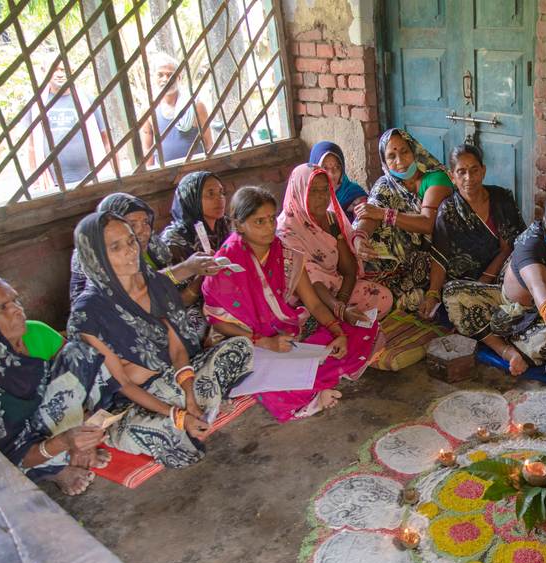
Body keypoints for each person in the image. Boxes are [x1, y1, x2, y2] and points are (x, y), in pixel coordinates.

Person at [68, 211, 253, 468]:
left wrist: (188, 395)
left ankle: (199, 403)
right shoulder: (89, 313)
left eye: (131, 241)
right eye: (115, 247)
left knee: (240, 348)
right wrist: (178, 416)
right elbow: (121, 383)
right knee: (176, 447)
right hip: (135, 399)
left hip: (175, 379)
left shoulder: (157, 284)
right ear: (95, 256)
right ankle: (200, 407)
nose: (130, 251)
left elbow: (177, 349)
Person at [203, 186, 382, 421]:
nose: (269, 227)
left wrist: (338, 332)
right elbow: (220, 324)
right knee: (265, 380)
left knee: (361, 330)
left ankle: (311, 382)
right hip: (245, 341)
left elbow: (314, 304)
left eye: (270, 219)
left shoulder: (285, 254)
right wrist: (266, 342)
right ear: (239, 224)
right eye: (259, 222)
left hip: (285, 333)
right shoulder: (226, 264)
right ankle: (308, 397)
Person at [0, 275, 116, 495]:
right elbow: (0, 457)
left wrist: (84, 431)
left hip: (52, 423)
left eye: (15, 300)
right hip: (18, 450)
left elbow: (80, 378)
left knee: (80, 353)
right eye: (3, 307)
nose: (17, 309)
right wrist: (65, 441)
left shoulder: (34, 331)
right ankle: (52, 467)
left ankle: (71, 450)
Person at [443, 186, 546, 377]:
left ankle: (490, 334)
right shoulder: (531, 241)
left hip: (545, 320)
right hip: (504, 303)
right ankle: (505, 350)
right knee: (453, 294)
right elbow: (539, 285)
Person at [351, 129, 454, 312]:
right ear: (385, 162)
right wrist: (360, 237)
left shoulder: (435, 177)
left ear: (415, 150)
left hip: (432, 258)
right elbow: (370, 214)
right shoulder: (386, 184)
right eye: (391, 156)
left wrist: (384, 214)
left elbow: (428, 223)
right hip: (394, 263)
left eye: (404, 151)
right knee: (359, 244)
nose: (399, 161)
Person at [277, 164, 392, 321]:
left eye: (325, 189)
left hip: (335, 289)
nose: (322, 196)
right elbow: (310, 279)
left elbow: (349, 270)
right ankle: (331, 322)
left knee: (383, 298)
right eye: (314, 190)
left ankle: (335, 322)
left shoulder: (331, 219)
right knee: (303, 315)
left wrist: (342, 302)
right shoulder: (286, 231)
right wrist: (341, 311)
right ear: (299, 191)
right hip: (306, 298)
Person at [426, 144, 526, 321]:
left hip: (502, 275)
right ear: (452, 177)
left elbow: (508, 249)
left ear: (483, 171)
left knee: (523, 271)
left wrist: (483, 282)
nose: (469, 178)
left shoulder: (501, 198)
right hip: (466, 282)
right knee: (452, 293)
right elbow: (440, 256)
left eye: (474, 170)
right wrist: (432, 293)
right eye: (461, 172)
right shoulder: (448, 210)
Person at [69, 193, 221, 303]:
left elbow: (176, 297)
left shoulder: (153, 245)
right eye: (132, 225)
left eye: (145, 223)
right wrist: (189, 268)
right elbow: (132, 290)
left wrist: (202, 272)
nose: (143, 231)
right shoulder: (93, 254)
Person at [158, 171, 233, 332]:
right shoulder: (173, 241)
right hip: (190, 305)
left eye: (221, 192)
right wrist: (203, 277)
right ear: (191, 198)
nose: (219, 199)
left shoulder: (225, 224)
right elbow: (177, 301)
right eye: (210, 193)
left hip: (225, 295)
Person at [25, 57, 111, 189]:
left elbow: (107, 141)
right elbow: (32, 147)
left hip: (91, 179)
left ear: (72, 71)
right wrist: (36, 184)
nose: (60, 74)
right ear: (43, 71)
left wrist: (115, 175)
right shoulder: (36, 106)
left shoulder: (89, 101)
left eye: (63, 69)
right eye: (54, 70)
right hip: (53, 183)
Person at [140, 53, 213, 166]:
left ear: (178, 78)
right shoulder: (148, 109)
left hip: (195, 174)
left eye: (170, 75)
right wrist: (149, 179)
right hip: (165, 176)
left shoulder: (195, 105)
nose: (165, 79)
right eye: (160, 75)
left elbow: (209, 143)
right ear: (154, 77)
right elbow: (147, 148)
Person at [308, 141, 368, 222]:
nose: (331, 174)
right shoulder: (305, 196)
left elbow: (364, 224)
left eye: (336, 167)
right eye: (325, 168)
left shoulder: (353, 194)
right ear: (314, 169)